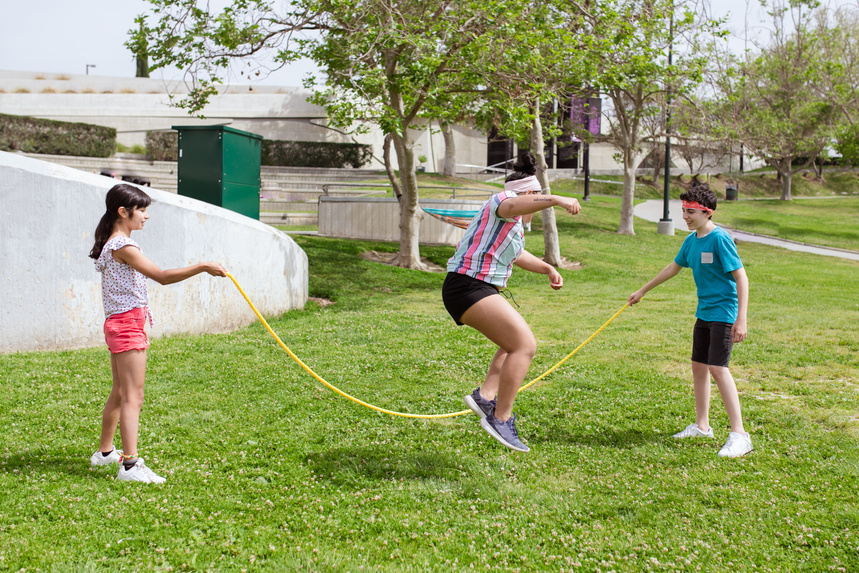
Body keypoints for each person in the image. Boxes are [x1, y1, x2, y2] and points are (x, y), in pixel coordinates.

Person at [443, 152, 581, 452]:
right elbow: (513, 203)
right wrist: (555, 199)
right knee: (525, 345)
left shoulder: (511, 227)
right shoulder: (502, 203)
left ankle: (485, 396)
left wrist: (547, 268)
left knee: (511, 344)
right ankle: (500, 418)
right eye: (537, 198)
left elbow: (516, 255)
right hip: (467, 286)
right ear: (530, 194)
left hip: (473, 287)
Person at [88, 184, 227, 483]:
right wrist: (203, 266)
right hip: (127, 325)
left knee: (121, 392)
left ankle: (104, 453)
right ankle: (130, 465)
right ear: (123, 212)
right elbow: (162, 277)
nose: (146, 216)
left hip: (119, 323)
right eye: (142, 210)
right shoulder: (123, 246)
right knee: (133, 397)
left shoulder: (113, 242)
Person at [627, 183, 752, 458]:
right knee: (698, 367)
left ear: (706, 212)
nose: (685, 216)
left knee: (718, 369)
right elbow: (674, 267)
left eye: (690, 211)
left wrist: (741, 319)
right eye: (683, 210)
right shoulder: (691, 240)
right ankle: (702, 426)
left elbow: (741, 277)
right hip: (704, 312)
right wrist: (643, 290)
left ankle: (740, 435)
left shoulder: (719, 239)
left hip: (724, 312)